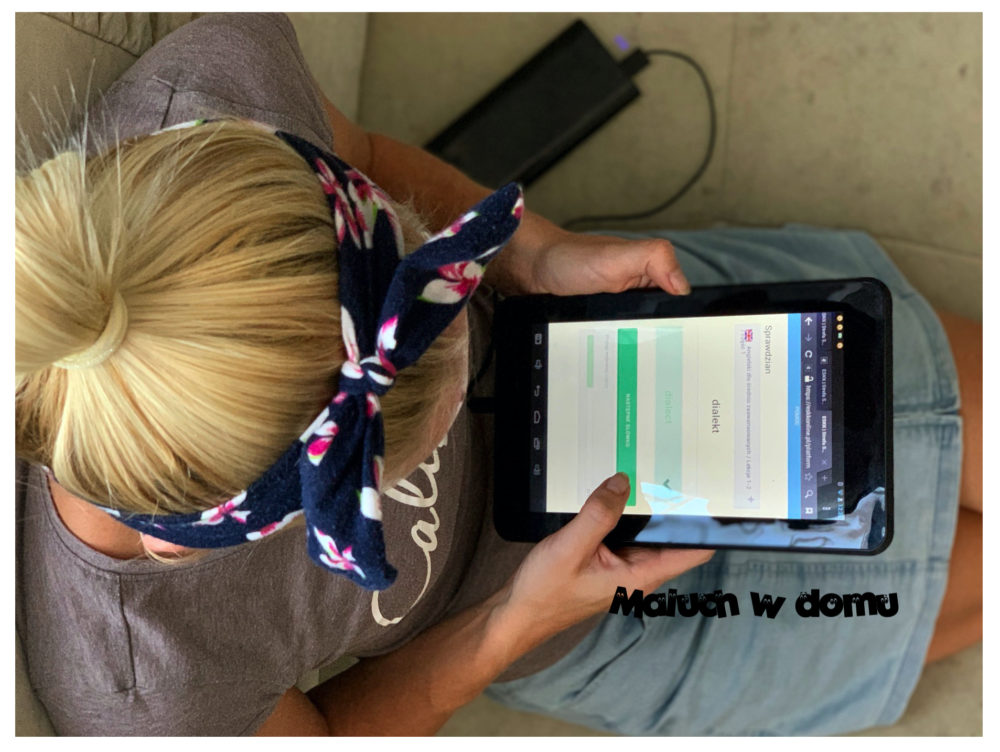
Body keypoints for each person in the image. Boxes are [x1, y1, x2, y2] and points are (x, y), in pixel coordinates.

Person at [14, 13, 980, 736]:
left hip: (615, 352)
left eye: (430, 281)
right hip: (593, 622)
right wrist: (513, 623)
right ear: (190, 544)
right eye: (400, 450)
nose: (468, 377)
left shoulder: (219, 101)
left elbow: (369, 153)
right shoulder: (144, 686)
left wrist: (535, 255)